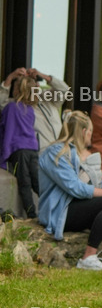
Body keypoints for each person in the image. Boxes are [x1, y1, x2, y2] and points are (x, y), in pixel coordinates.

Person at [37, 111, 102, 270]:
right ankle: (87, 258)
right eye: (91, 133)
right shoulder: (55, 152)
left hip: (79, 206)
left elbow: (90, 185)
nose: (91, 137)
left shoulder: (79, 153)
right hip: (61, 212)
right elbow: (75, 187)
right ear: (83, 132)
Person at [0, 73, 40, 218]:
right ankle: (53, 208)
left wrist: (4, 157)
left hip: (20, 151)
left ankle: (31, 214)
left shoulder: (11, 108)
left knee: (24, 183)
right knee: (37, 182)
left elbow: (8, 133)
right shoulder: (30, 110)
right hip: (33, 149)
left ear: (18, 90)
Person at [1, 67, 70, 150]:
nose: (36, 85)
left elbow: (64, 89)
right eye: (30, 84)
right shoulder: (18, 106)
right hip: (42, 155)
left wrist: (42, 75)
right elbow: (2, 103)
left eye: (35, 82)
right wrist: (10, 77)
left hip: (61, 151)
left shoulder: (47, 98)